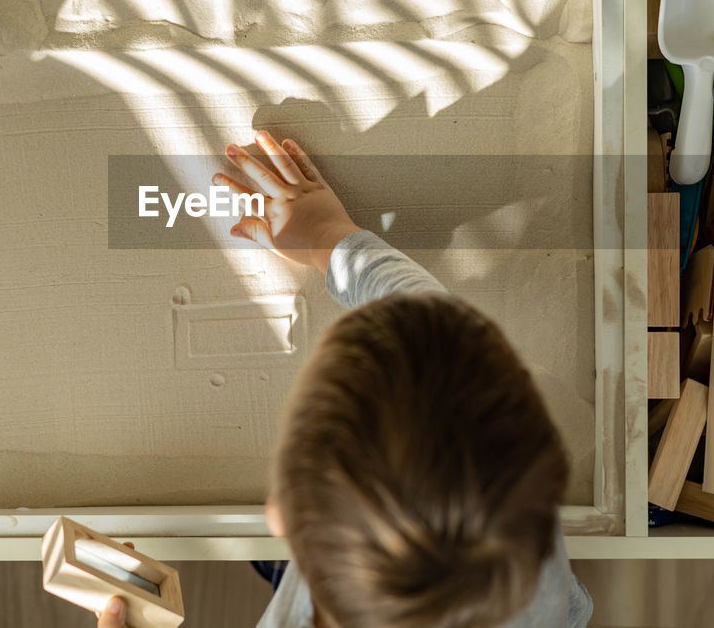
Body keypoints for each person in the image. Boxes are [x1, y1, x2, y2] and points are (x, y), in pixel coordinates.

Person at [95, 130, 592, 628]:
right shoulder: (523, 548)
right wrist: (330, 236)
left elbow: (431, 330)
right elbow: (432, 333)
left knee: (280, 563)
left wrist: (327, 237)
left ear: (281, 516)